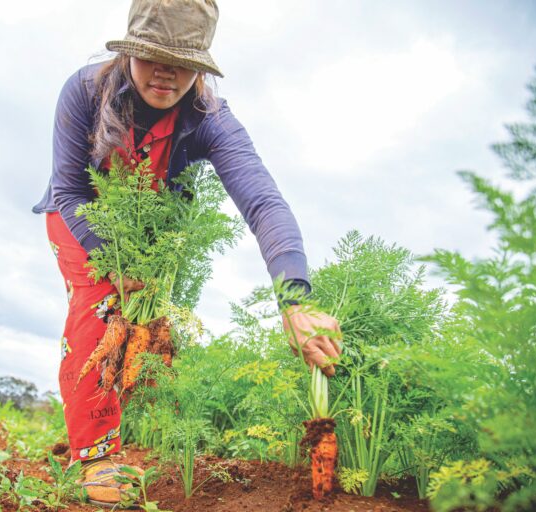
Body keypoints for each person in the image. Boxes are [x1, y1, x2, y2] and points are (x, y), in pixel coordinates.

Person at [31, 0, 342, 507]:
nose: (167, 72)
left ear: (199, 66)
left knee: (140, 336)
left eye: (184, 62)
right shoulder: (85, 91)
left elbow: (262, 200)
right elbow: (69, 189)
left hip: (149, 231)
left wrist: (295, 298)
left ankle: (100, 437)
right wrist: (113, 261)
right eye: (154, 55)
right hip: (80, 218)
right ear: (131, 48)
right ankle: (90, 458)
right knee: (101, 305)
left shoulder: (209, 118)